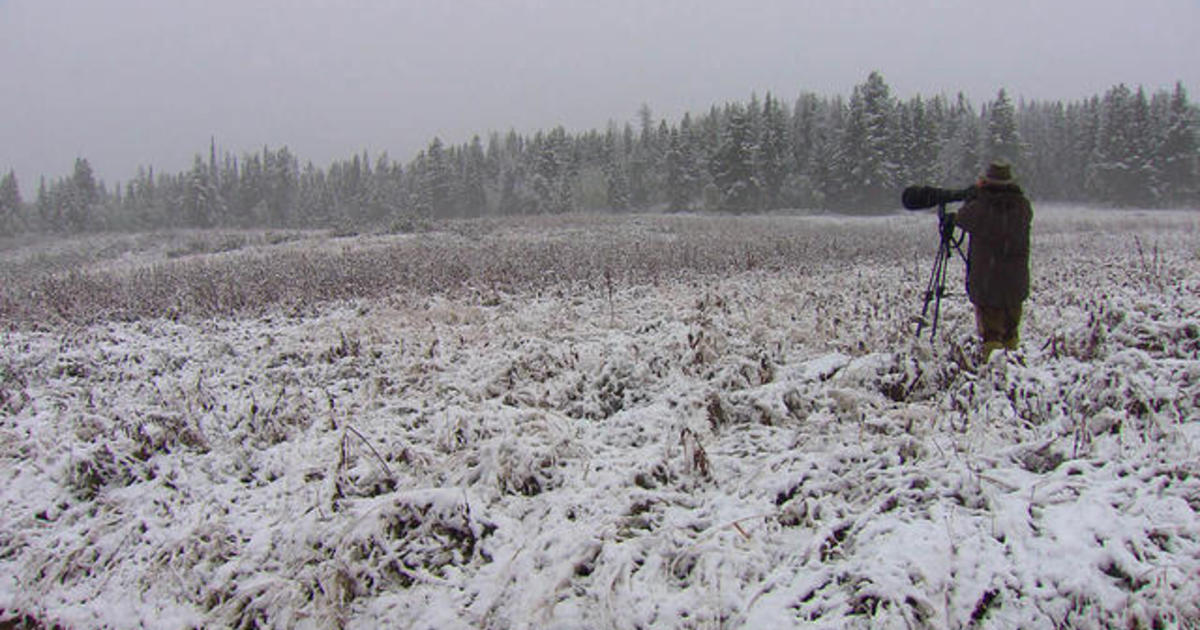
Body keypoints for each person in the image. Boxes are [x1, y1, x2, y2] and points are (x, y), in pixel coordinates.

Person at [950, 161, 1033, 361]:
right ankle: (1012, 372)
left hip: (988, 282)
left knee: (991, 334)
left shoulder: (980, 208)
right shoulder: (1022, 206)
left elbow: (962, 217)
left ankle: (993, 373)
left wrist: (975, 195)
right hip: (1015, 282)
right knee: (1011, 333)